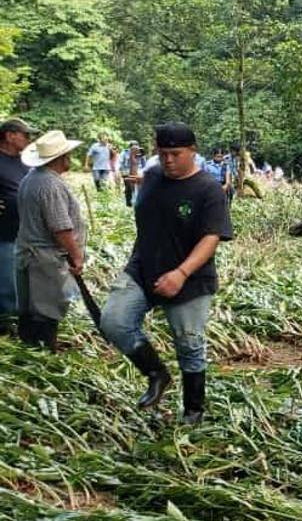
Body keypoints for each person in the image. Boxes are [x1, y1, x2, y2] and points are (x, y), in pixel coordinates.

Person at [100, 123, 233, 424]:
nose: (168, 160)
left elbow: (211, 238)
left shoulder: (208, 189)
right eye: (163, 154)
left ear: (192, 151)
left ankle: (193, 411)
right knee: (113, 321)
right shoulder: (155, 176)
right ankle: (157, 374)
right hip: (142, 268)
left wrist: (181, 273)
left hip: (190, 278)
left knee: (189, 343)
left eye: (176, 153)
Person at [15, 131, 85, 350]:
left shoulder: (32, 178)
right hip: (45, 256)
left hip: (30, 252)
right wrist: (76, 255)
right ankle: (45, 347)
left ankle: (34, 344)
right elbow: (60, 228)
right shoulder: (49, 185)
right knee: (47, 305)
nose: (70, 158)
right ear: (59, 158)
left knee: (31, 304)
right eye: (67, 155)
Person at [0, 118, 34, 336]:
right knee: (6, 285)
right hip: (3, 234)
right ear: (10, 136)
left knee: (21, 282)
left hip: (25, 233)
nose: (29, 139)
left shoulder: (25, 162)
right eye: (26, 134)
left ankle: (19, 322)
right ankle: (6, 327)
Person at [118, 140, 145, 207]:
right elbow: (121, 163)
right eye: (134, 148)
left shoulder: (140, 152)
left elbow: (144, 164)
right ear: (130, 148)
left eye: (137, 147)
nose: (136, 149)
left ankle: (138, 202)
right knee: (129, 187)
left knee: (140, 187)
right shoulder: (124, 153)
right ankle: (128, 203)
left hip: (139, 171)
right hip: (127, 171)